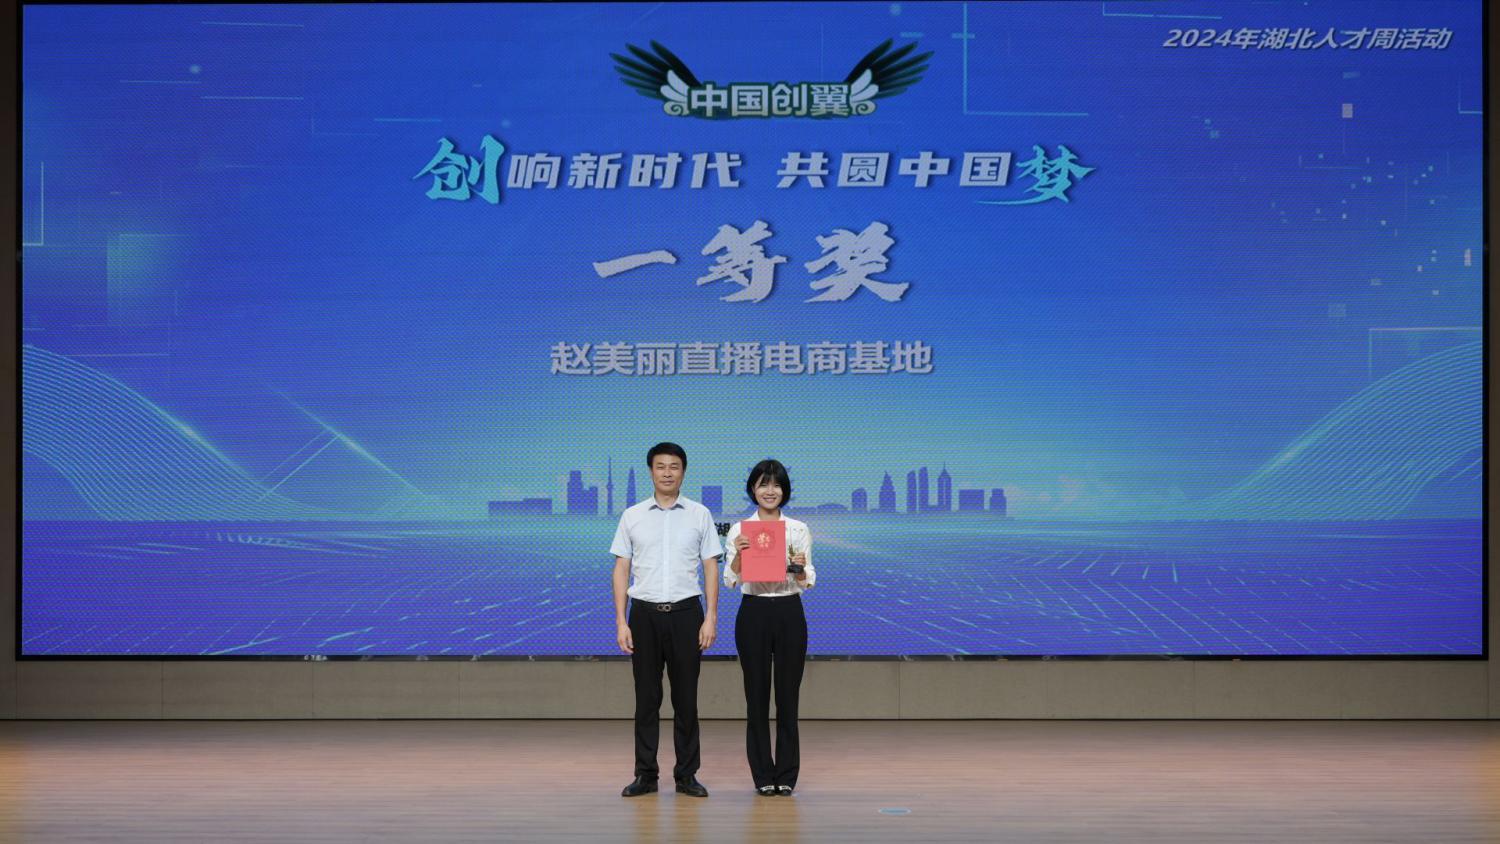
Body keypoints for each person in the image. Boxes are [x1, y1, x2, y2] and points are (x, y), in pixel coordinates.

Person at [610, 442, 722, 798]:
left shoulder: (700, 514)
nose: (668, 472)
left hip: (687, 614)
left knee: (686, 699)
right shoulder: (632, 515)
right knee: (646, 699)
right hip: (643, 615)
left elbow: (711, 567)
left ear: (683, 471)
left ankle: (687, 775)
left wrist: (711, 617)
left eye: (674, 466)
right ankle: (646, 775)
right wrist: (621, 622)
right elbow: (621, 568)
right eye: (661, 466)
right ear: (651, 472)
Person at [723, 459, 815, 797]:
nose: (770, 491)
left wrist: (800, 569)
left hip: (789, 611)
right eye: (763, 484)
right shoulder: (739, 530)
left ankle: (786, 774)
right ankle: (762, 774)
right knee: (756, 698)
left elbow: (808, 580)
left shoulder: (798, 529)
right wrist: (738, 555)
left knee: (788, 698)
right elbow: (730, 580)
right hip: (754, 612)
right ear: (753, 489)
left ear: (784, 490)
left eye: (776, 485)